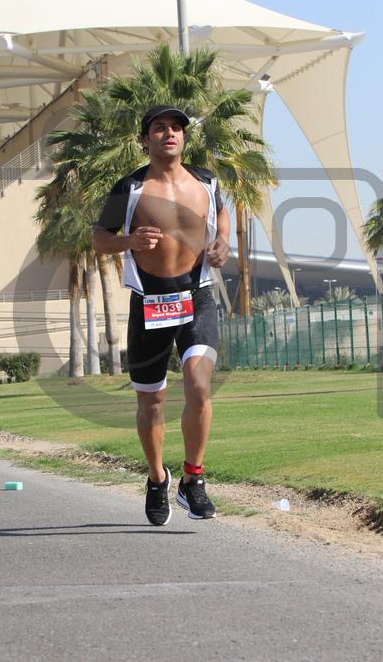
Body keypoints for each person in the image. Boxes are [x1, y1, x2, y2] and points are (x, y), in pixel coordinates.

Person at [93, 105, 230, 525]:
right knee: (151, 403)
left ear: (184, 137)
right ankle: (157, 479)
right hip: (149, 301)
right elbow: (99, 239)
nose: (169, 133)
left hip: (197, 297)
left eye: (176, 128)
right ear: (145, 140)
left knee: (198, 386)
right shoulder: (130, 187)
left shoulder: (206, 182)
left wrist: (222, 241)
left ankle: (193, 478)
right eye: (159, 128)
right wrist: (129, 241)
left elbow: (222, 213)